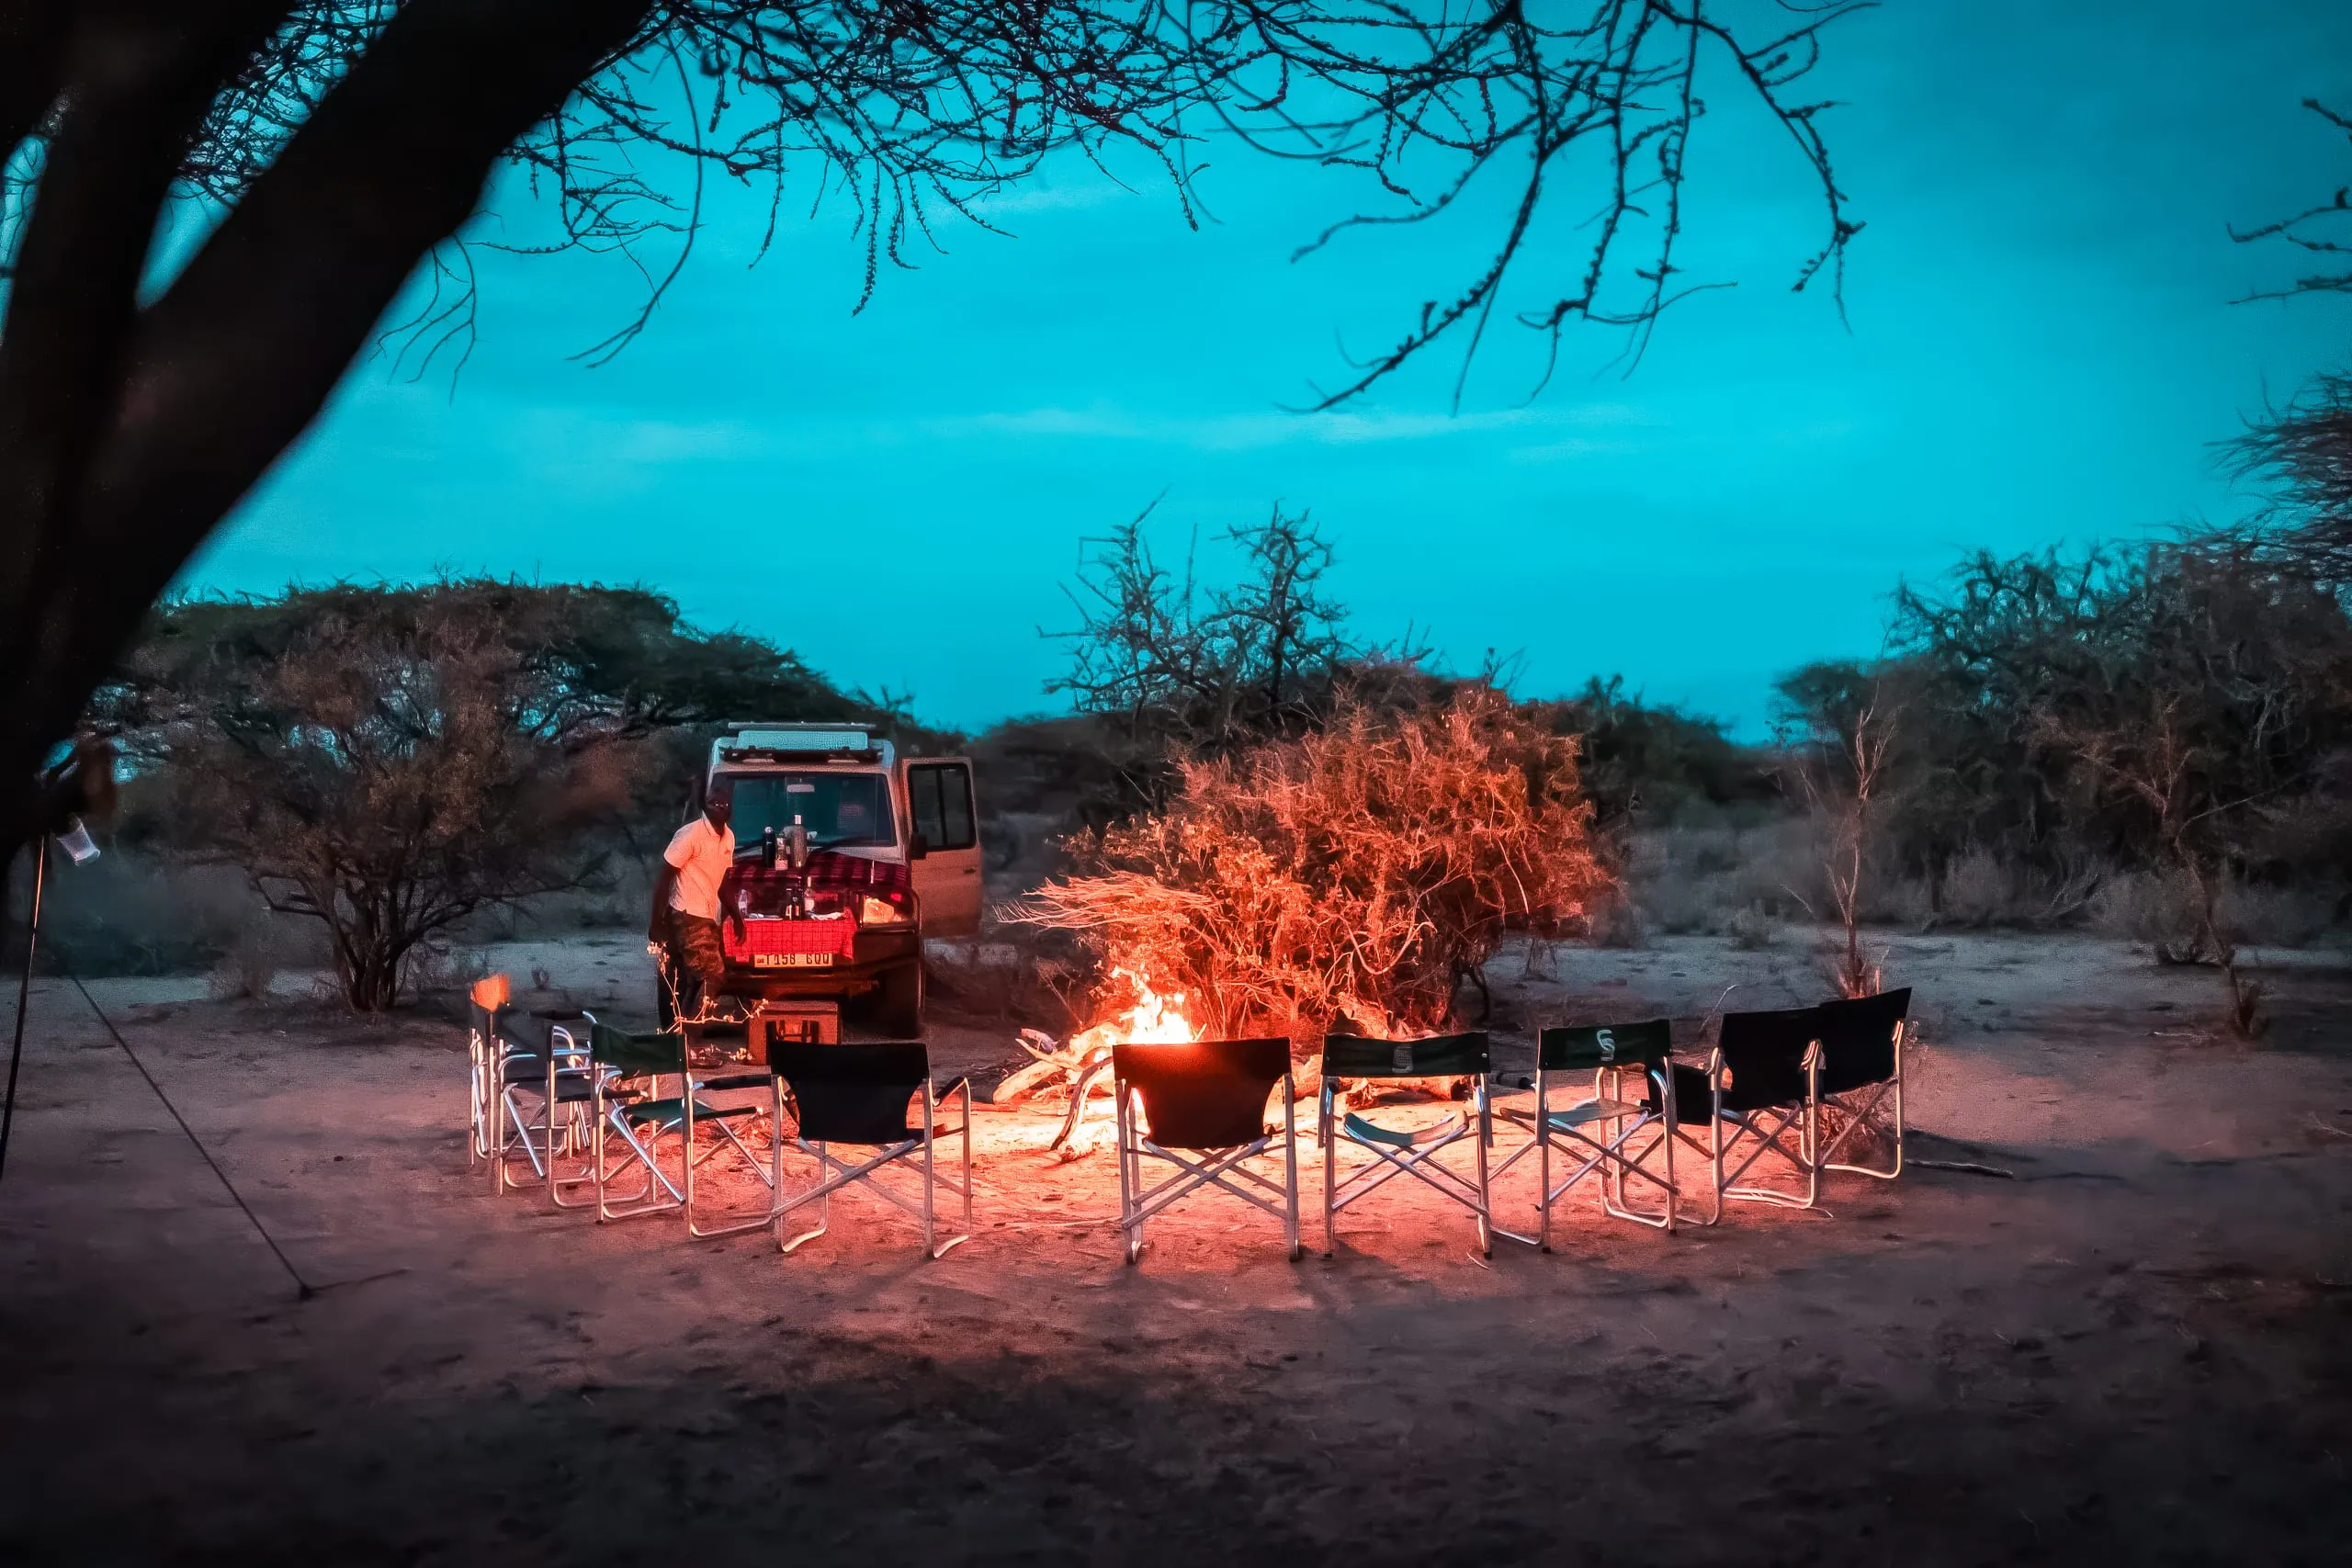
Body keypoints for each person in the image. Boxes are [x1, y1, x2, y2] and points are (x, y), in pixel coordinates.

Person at [649, 790, 738, 1021]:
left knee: (695, 979)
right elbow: (664, 879)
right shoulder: (690, 835)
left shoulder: (728, 837)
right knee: (714, 975)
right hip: (687, 913)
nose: (720, 803)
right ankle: (691, 1032)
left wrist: (737, 917)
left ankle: (680, 1032)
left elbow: (723, 883)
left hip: (707, 916)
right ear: (704, 805)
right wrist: (655, 923)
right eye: (714, 800)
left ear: (731, 808)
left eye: (725, 801)